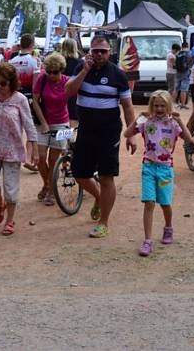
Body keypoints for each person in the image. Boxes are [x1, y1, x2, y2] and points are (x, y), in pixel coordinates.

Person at [65, 35, 137, 239]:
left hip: (109, 131)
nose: (98, 54)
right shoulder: (81, 68)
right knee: (79, 172)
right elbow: (69, 91)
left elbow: (128, 107)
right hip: (86, 129)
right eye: (95, 50)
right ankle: (98, 197)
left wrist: (131, 134)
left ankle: (103, 222)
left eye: (103, 51)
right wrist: (85, 71)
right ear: (90, 51)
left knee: (107, 176)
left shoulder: (118, 74)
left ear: (109, 52)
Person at [124, 90, 192, 257]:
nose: (159, 109)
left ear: (168, 106)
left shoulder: (173, 124)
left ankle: (168, 227)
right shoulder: (147, 122)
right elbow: (127, 134)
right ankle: (147, 241)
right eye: (156, 106)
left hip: (165, 169)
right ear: (152, 106)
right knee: (149, 203)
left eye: (163, 105)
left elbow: (189, 139)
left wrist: (180, 121)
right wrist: (140, 116)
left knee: (165, 203)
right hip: (148, 167)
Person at [0, 63, 39, 235]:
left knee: (11, 189)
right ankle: (0, 203)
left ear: (12, 82)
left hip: (12, 149)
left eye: (3, 83)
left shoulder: (20, 99)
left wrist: (34, 148)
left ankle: (9, 220)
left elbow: (28, 124)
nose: (0, 87)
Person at [31, 53, 71, 206]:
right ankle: (48, 184)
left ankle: (51, 190)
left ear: (61, 70)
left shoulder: (67, 81)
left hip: (61, 123)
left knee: (53, 159)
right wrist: (43, 122)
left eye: (55, 72)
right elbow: (35, 100)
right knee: (40, 157)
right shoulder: (42, 79)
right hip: (43, 123)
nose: (51, 75)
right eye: (49, 71)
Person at [10, 34, 41, 170]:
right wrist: (37, 100)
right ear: (32, 45)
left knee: (17, 128)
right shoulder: (34, 61)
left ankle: (13, 156)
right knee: (30, 127)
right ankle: (28, 158)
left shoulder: (12, 61)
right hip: (28, 97)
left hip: (14, 96)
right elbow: (36, 85)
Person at [60, 38, 82, 125]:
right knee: (73, 118)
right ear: (75, 48)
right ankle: (71, 137)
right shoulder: (80, 63)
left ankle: (63, 137)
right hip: (74, 95)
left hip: (59, 93)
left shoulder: (58, 62)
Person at [174, 41, 192, 109]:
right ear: (187, 46)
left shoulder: (178, 53)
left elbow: (175, 63)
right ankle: (183, 104)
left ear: (182, 46)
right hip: (185, 72)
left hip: (178, 72)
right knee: (183, 89)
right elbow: (190, 62)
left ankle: (173, 103)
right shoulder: (189, 53)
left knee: (176, 88)